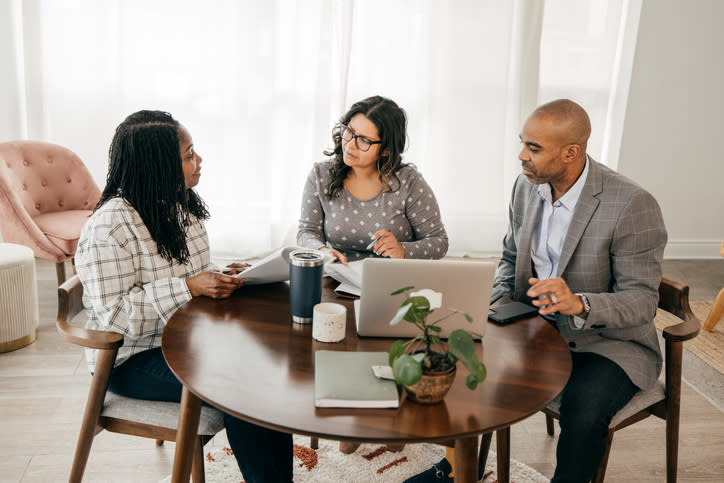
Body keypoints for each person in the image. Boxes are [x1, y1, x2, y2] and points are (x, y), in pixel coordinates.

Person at [406, 99, 667, 482]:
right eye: (523, 143)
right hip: (533, 326)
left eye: (534, 148)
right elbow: (511, 257)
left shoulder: (631, 204)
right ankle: (456, 470)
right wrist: (497, 300)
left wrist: (578, 303)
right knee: (461, 365)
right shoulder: (527, 187)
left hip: (607, 343)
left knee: (584, 412)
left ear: (571, 152)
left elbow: (643, 301)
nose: (521, 156)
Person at [75, 110, 293, 483]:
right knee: (243, 391)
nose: (200, 160)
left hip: (188, 340)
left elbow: (186, 275)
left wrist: (224, 276)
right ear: (158, 165)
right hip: (131, 360)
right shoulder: (109, 226)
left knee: (267, 370)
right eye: (189, 154)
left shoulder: (179, 206)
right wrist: (189, 287)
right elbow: (114, 317)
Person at [297, 95, 449, 265]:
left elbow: (439, 241)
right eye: (349, 131)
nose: (350, 145)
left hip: (393, 281)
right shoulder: (321, 175)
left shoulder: (409, 181)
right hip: (337, 277)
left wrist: (402, 250)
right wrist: (322, 251)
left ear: (385, 150)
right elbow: (307, 232)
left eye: (364, 140)